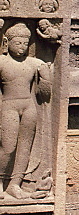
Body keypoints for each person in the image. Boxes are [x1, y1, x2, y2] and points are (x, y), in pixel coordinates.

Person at [0, 23, 51, 200]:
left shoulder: (34, 63)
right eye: (18, 43)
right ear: (7, 42)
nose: (21, 47)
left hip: (29, 107)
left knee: (24, 148)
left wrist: (46, 77)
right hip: (9, 106)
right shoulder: (2, 62)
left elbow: (44, 94)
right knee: (8, 146)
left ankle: (15, 184)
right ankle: (0, 182)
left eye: (25, 43)